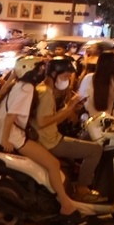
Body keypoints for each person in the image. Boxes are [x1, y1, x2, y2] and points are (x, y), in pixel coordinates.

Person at [0, 55, 83, 217]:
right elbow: (11, 116)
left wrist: (13, 75)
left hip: (3, 132)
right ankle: (66, 204)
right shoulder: (27, 88)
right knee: (53, 164)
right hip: (14, 136)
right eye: (39, 69)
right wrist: (6, 139)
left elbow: (2, 92)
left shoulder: (17, 85)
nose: (42, 72)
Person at [37, 57, 105, 196]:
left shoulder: (44, 90)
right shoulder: (45, 93)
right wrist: (69, 107)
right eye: (65, 77)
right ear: (54, 74)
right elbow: (42, 122)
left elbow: (52, 120)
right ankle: (82, 188)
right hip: (50, 141)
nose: (67, 80)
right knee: (95, 150)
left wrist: (70, 109)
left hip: (49, 137)